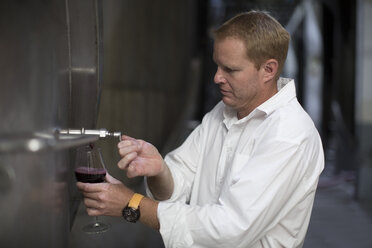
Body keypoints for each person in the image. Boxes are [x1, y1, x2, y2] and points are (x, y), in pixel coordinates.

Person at [77, 10, 324, 248]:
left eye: (230, 70)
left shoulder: (289, 134)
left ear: (268, 70)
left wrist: (130, 204)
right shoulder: (223, 112)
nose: (217, 77)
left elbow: (229, 230)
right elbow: (181, 180)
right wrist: (159, 171)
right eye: (217, 65)